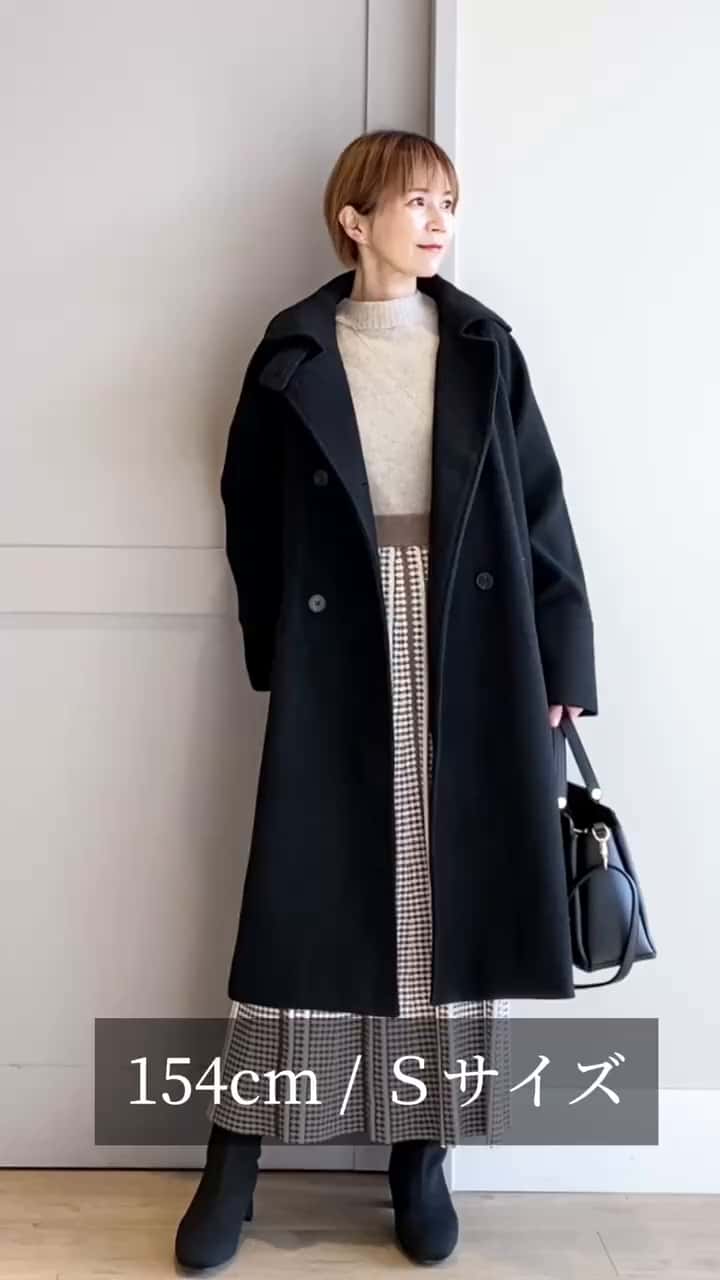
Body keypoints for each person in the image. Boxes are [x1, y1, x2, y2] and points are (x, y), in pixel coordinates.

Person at [175, 129, 597, 1270]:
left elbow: (542, 510)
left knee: (446, 901)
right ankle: (237, 1154)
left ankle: (423, 1153)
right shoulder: (294, 350)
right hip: (342, 635)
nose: (439, 219)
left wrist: (562, 669)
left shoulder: (483, 345)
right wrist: (281, 649)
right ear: (354, 220)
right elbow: (249, 511)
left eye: (448, 200)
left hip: (476, 641)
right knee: (309, 900)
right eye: (416, 200)